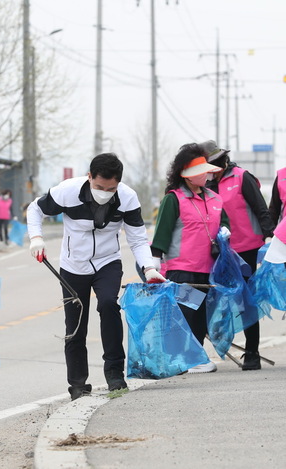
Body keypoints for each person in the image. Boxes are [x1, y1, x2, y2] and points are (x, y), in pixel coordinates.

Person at [26, 152, 165, 400]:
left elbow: (137, 238)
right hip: (73, 265)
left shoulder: (127, 198)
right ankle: (78, 383)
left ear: (118, 184)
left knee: (109, 305)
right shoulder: (67, 192)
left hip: (107, 262)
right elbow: (35, 209)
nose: (104, 192)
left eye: (110, 188)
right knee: (76, 325)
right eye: (99, 186)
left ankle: (115, 374)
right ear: (89, 176)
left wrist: (148, 268)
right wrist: (36, 238)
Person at [150, 143, 230, 373]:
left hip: (209, 268)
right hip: (182, 268)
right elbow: (162, 231)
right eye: (201, 171)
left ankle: (194, 357)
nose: (207, 174)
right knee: (185, 314)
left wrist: (225, 229)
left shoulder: (215, 199)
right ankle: (182, 358)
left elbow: (223, 221)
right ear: (187, 175)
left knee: (202, 315)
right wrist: (155, 259)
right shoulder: (173, 199)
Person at [202, 139, 275, 371]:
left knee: (246, 299)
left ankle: (252, 352)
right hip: (219, 251)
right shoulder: (205, 184)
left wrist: (269, 239)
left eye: (215, 163)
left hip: (247, 248)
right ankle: (208, 351)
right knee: (216, 299)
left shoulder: (242, 177)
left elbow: (261, 210)